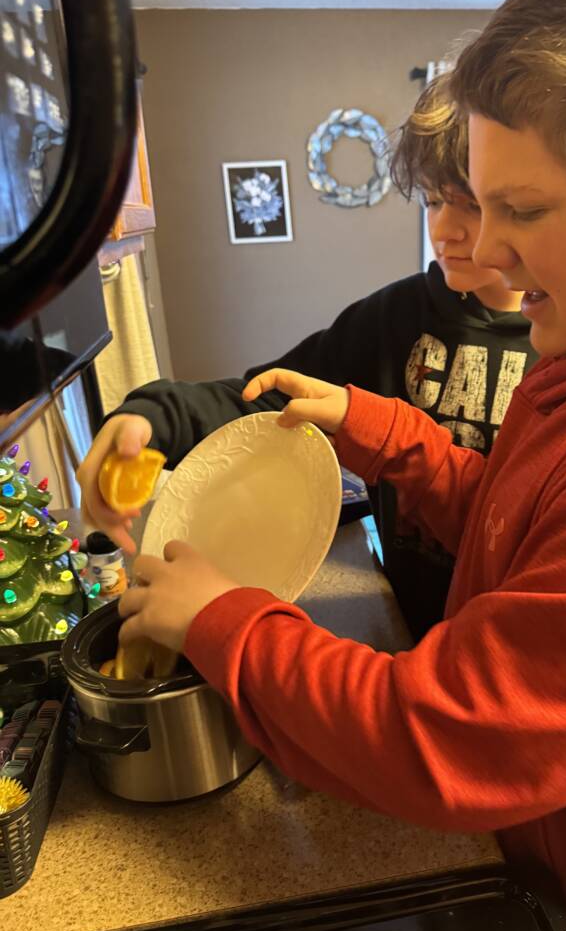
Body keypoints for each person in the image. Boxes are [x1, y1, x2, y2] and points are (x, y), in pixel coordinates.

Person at [101, 0, 566, 931]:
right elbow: (515, 520)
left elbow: (446, 735)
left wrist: (223, 620)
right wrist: (375, 425)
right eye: (470, 205)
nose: (483, 251)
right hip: (533, 859)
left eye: (522, 210)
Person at [78, 74, 537, 639]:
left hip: (516, 635)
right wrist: (150, 417)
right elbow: (270, 399)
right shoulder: (395, 317)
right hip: (407, 623)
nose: (444, 229)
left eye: (470, 204)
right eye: (434, 199)